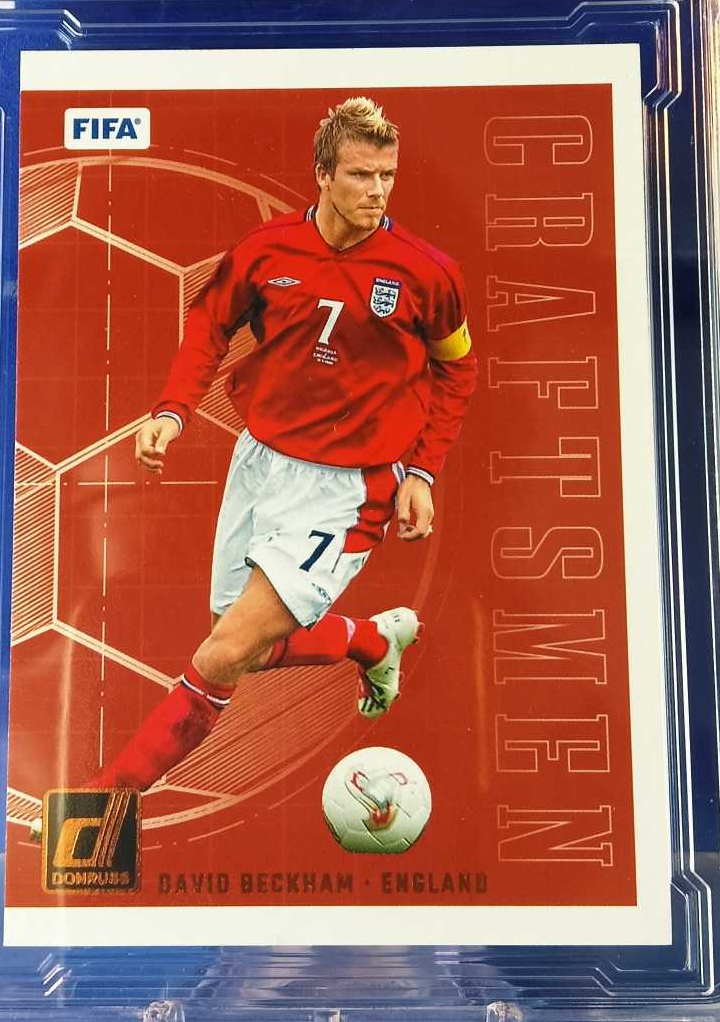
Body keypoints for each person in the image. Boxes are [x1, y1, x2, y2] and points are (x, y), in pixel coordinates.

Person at [91, 97, 480, 794]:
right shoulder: (266, 250)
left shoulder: (427, 273)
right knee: (244, 643)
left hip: (348, 490)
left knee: (223, 653)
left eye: (387, 175)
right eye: (360, 175)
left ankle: (101, 805)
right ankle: (371, 640)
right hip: (260, 462)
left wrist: (422, 471)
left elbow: (458, 368)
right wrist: (173, 411)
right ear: (323, 175)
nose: (378, 191)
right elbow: (210, 322)